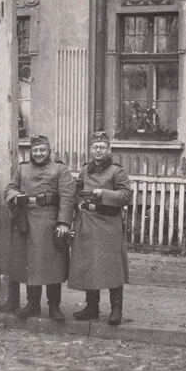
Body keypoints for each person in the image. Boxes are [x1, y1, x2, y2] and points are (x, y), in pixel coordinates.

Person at [4, 135, 75, 322]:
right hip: (27, 220)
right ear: (31, 152)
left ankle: (54, 306)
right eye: (35, 150)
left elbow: (67, 197)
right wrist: (15, 196)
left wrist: (63, 223)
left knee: (53, 266)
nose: (38, 153)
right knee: (31, 264)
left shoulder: (59, 169)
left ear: (49, 151)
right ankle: (32, 304)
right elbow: (9, 188)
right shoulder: (22, 168)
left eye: (42, 150)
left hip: (50, 220)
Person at [68, 131, 132, 325]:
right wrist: (79, 206)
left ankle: (116, 309)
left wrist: (103, 193)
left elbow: (126, 196)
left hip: (109, 222)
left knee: (113, 267)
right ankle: (92, 307)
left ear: (109, 149)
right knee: (90, 265)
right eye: (95, 147)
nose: (98, 150)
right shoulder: (86, 170)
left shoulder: (117, 171)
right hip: (88, 220)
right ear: (91, 149)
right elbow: (76, 191)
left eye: (102, 147)